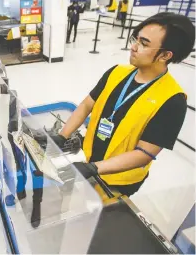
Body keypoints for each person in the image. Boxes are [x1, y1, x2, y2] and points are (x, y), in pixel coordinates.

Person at [51, 12, 195, 197]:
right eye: (135, 39)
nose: (134, 47)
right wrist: (63, 136)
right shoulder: (117, 72)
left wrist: (94, 168)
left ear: (165, 55)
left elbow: (144, 153)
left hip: (121, 180)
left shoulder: (173, 100)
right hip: (91, 161)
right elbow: (87, 105)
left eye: (144, 43)